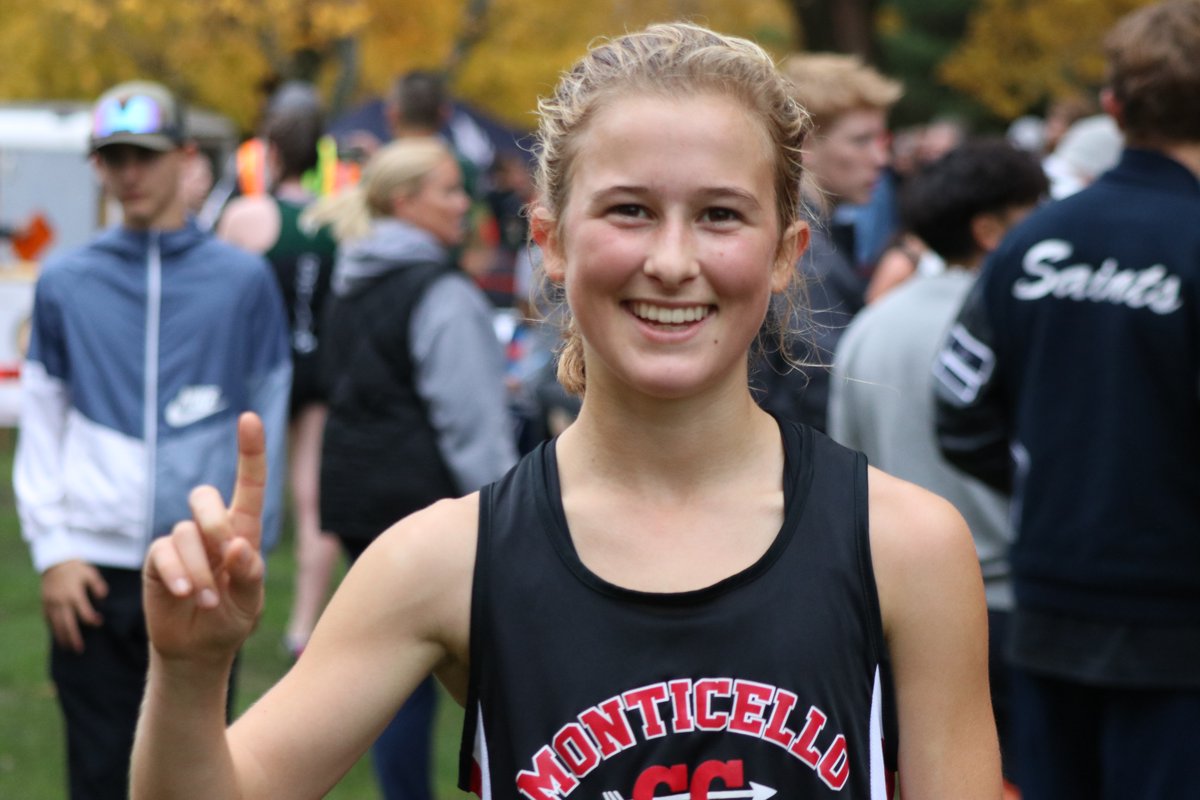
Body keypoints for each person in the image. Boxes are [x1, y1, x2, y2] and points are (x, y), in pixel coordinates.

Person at [130, 23, 1000, 800]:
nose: (672, 261)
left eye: (719, 215)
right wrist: (191, 673)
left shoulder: (904, 547)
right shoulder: (444, 560)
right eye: (629, 210)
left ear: (784, 253)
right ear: (549, 241)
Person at [932, 2, 1200, 797]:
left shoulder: (1031, 243)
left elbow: (959, 407)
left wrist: (1063, 486)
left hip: (1049, 602)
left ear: (1113, 107)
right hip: (1179, 626)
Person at [12, 80, 290, 800]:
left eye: (145, 155)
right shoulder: (66, 281)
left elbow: (267, 415)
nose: (129, 173)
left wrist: (248, 550)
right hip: (93, 573)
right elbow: (42, 420)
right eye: (114, 158)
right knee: (98, 772)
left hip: (199, 564)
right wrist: (55, 551)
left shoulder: (243, 281)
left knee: (197, 771)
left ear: (185, 158)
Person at [828, 138, 1049, 793]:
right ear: (989, 230)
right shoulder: (1023, 320)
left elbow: (844, 462)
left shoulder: (871, 325)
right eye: (1033, 212)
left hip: (893, 613)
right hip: (1007, 605)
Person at [305, 135, 517, 800]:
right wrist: (511, 518)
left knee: (392, 669)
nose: (464, 205)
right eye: (449, 191)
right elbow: (473, 426)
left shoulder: (350, 277)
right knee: (483, 671)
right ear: (404, 201)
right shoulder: (440, 292)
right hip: (423, 505)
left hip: (356, 498)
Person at [216, 81, 342, 659]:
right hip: (317, 366)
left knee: (241, 487)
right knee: (312, 496)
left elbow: (217, 297)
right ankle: (302, 626)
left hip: (259, 370)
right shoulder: (334, 218)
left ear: (270, 151)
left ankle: (230, 602)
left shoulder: (245, 216)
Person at [755, 52, 902, 432]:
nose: (880, 159)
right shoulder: (801, 250)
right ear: (804, 145)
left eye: (881, 140)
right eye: (861, 140)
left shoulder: (814, 234)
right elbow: (822, 385)